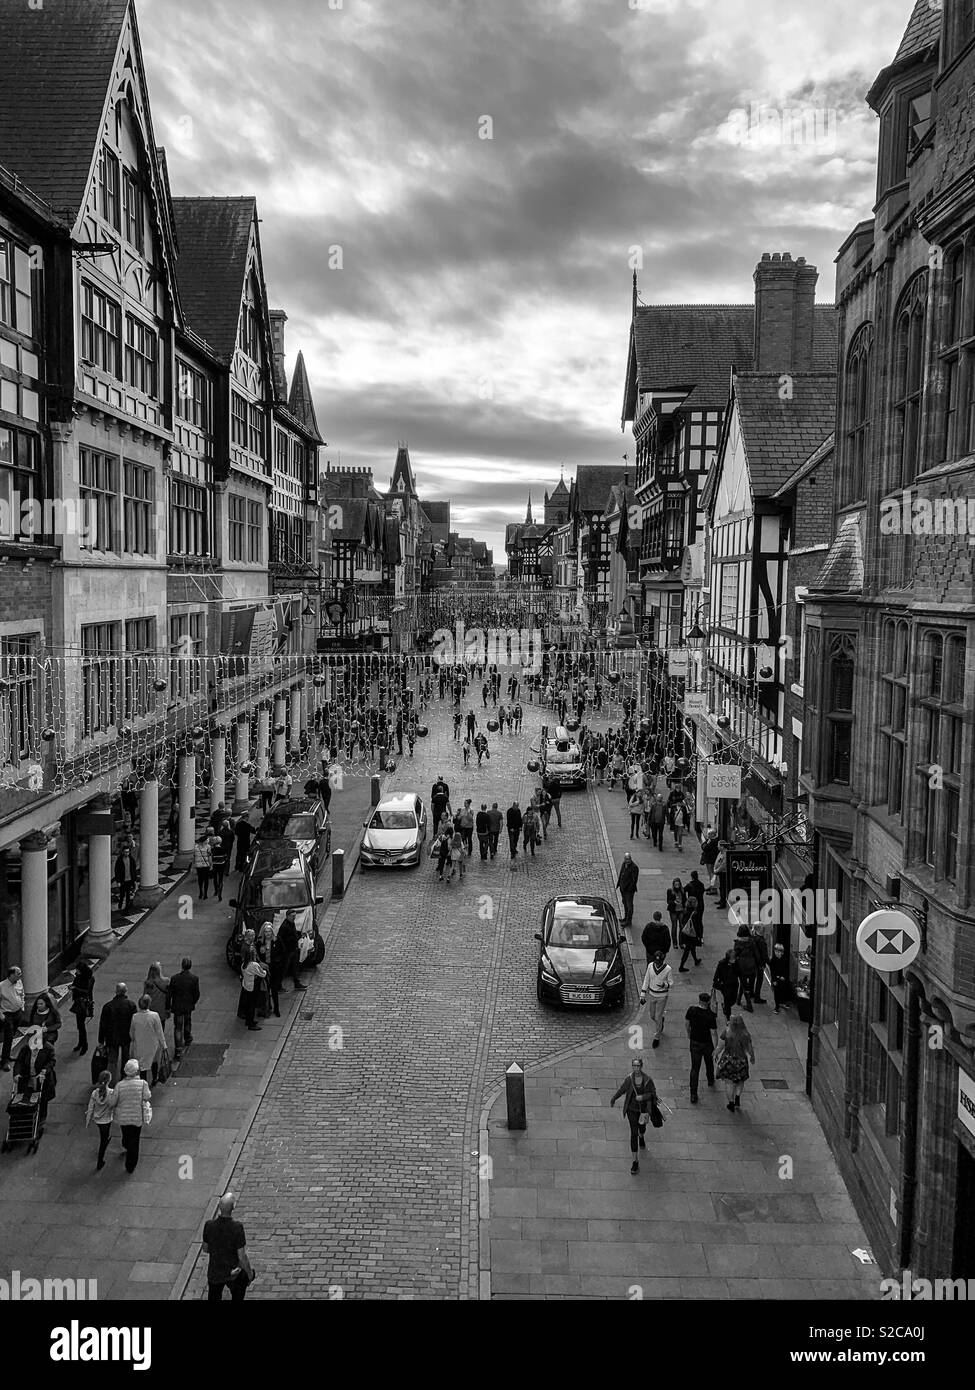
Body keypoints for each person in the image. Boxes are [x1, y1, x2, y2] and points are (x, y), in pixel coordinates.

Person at [610, 1057, 658, 1174]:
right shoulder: (629, 1079)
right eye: (634, 1066)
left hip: (642, 1110)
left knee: (642, 1128)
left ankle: (641, 1136)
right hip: (631, 1109)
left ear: (641, 1066)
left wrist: (642, 1097)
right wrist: (614, 1098)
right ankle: (635, 1161)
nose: (636, 1068)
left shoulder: (647, 1080)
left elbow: (653, 1094)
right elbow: (622, 1089)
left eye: (638, 1066)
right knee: (633, 1133)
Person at [203, 1192, 254, 1301]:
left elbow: (206, 1249)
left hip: (215, 1272)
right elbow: (241, 1257)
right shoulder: (237, 1227)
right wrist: (250, 1274)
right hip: (233, 1271)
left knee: (214, 1295)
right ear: (233, 1207)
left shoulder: (209, 1225)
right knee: (239, 1291)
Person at [111, 1059, 152, 1173]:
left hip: (123, 1117)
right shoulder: (143, 1084)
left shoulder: (119, 1085)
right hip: (136, 1117)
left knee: (126, 1133)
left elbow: (113, 1101)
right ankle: (131, 1164)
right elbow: (147, 1096)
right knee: (135, 1140)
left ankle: (126, 1145)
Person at [97, 982, 136, 1082]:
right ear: (125, 991)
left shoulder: (108, 1006)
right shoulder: (131, 1005)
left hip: (112, 1037)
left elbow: (103, 1025)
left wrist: (101, 1040)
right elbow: (134, 1022)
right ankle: (124, 1077)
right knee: (125, 1058)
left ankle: (111, 1081)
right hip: (126, 1036)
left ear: (116, 992)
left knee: (112, 1060)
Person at [716, 1013, 756, 1111]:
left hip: (728, 1061)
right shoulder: (745, 1034)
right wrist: (752, 1057)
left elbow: (720, 1046)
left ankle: (731, 1103)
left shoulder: (726, 1032)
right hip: (741, 1060)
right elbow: (750, 1049)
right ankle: (737, 1097)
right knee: (740, 1081)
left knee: (729, 1083)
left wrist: (716, 1053)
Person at [685, 992, 719, 1103]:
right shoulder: (710, 1016)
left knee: (695, 1068)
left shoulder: (692, 1010)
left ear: (699, 1000)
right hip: (707, 1043)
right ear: (708, 1002)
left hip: (695, 1043)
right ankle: (710, 1079)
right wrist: (716, 1048)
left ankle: (693, 1094)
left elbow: (687, 1023)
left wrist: (689, 1033)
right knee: (709, 1062)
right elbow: (713, 1033)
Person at [639, 949, 672, 1047]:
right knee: (652, 1016)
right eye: (656, 962)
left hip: (662, 996)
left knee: (657, 1017)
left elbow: (671, 983)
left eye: (660, 962)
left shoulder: (668, 969)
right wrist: (643, 994)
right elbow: (646, 979)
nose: (658, 964)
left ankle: (657, 1037)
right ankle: (661, 1021)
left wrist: (664, 985)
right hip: (652, 995)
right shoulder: (650, 966)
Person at [130, 994, 166, 1084]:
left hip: (140, 1044)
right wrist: (164, 1045)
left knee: (142, 1066)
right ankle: (154, 1078)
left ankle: (143, 1082)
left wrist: (133, 1040)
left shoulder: (135, 1017)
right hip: (152, 1044)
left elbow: (132, 1032)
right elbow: (159, 1031)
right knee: (154, 1061)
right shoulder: (154, 1016)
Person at [168, 958, 200, 1058]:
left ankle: (178, 1048)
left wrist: (167, 1006)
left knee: (178, 1027)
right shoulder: (194, 978)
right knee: (187, 1021)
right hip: (188, 1005)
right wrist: (193, 1002)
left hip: (177, 1006)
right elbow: (196, 994)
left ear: (182, 966)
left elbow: (170, 994)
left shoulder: (174, 978)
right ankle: (187, 1038)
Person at [85, 1069, 116, 1170]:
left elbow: (90, 1107)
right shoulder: (111, 1093)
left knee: (103, 1136)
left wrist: (88, 1120)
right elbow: (113, 1106)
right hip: (107, 1120)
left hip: (98, 1120)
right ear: (109, 1081)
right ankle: (100, 1160)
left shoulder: (95, 1093)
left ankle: (106, 1141)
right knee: (103, 1140)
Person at [0, 965, 24, 1071]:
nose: (20, 975)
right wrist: (0, 1014)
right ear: (11, 975)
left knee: (13, 1035)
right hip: (7, 1015)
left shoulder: (19, 982)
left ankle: (8, 1055)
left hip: (18, 1013)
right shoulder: (1, 986)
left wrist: (22, 1005)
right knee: (8, 1037)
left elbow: (22, 994)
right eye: (18, 973)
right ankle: (4, 1062)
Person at [70, 961, 95, 1055]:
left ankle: (84, 1044)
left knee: (81, 1025)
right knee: (79, 1025)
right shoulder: (78, 976)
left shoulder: (89, 979)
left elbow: (87, 991)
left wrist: (75, 988)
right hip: (78, 1002)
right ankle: (81, 1043)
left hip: (84, 1003)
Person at [276, 915, 307, 992]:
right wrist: (284, 949)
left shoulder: (292, 923)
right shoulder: (284, 926)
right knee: (284, 969)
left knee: (295, 968)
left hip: (293, 949)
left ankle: (296, 983)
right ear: (287, 916)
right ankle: (278, 985)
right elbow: (281, 938)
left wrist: (299, 935)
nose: (294, 917)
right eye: (292, 916)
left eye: (295, 916)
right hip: (287, 951)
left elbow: (294, 933)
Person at [238, 955, 267, 1031]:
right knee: (252, 1005)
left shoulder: (244, 964)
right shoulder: (253, 965)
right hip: (253, 987)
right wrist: (265, 970)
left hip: (246, 986)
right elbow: (262, 974)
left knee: (248, 1005)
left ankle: (248, 1021)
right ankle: (251, 1024)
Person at [733, 926, 759, 1012]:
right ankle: (738, 1000)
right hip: (751, 966)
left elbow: (734, 955)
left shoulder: (738, 943)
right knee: (747, 985)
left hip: (742, 967)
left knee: (744, 985)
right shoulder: (751, 942)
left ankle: (749, 1005)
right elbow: (756, 954)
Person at [143, 962, 170, 1043]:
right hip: (162, 1008)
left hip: (152, 1008)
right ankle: (160, 1042)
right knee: (161, 1027)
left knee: (152, 1028)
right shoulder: (166, 981)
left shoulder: (148, 983)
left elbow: (145, 996)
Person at [712, 950, 739, 1022]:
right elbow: (717, 974)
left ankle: (726, 1007)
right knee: (727, 1000)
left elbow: (739, 972)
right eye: (732, 959)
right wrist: (716, 984)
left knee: (733, 1000)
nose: (734, 960)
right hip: (725, 985)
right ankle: (728, 1017)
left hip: (734, 984)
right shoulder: (722, 964)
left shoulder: (736, 963)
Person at [113, 841, 139, 912]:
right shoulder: (119, 860)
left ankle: (127, 909)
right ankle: (120, 905)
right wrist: (118, 881)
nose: (126, 853)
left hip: (129, 880)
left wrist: (134, 880)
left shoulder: (131, 859)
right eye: (125, 852)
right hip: (122, 880)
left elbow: (133, 869)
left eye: (128, 852)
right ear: (122, 852)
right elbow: (117, 871)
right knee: (122, 894)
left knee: (128, 895)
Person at [616, 852, 639, 928]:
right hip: (623, 888)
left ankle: (628, 921)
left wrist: (629, 889)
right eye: (626, 859)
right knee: (625, 903)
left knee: (629, 906)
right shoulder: (624, 864)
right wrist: (619, 883)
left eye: (629, 859)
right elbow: (621, 874)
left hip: (629, 891)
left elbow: (633, 880)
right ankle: (625, 918)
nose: (627, 861)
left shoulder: (634, 867)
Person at [750, 924, 770, 1004]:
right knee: (759, 980)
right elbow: (764, 955)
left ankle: (751, 993)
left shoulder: (753, 938)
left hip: (753, 962)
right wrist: (768, 962)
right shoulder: (761, 941)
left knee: (753, 978)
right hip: (760, 964)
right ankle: (757, 997)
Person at [666, 879, 687, 950]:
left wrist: (685, 907)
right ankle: (675, 942)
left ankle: (681, 942)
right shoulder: (670, 891)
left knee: (682, 926)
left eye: (678, 884)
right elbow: (668, 901)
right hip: (673, 911)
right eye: (675, 885)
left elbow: (685, 900)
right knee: (674, 926)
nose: (677, 886)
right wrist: (674, 902)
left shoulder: (682, 891)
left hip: (681, 910)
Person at [685, 870, 706, 942]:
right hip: (700, 905)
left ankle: (692, 935)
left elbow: (683, 890)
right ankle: (700, 936)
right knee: (699, 921)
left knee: (692, 920)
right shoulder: (701, 884)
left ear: (691, 877)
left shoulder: (689, 885)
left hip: (692, 905)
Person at [210, 829, 230, 902]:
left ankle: (215, 891)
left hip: (215, 865)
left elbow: (211, 858)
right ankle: (220, 894)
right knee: (220, 879)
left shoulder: (212, 850)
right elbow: (226, 857)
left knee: (215, 878)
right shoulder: (223, 849)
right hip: (222, 865)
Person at [770, 943, 791, 1013]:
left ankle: (782, 1002)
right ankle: (777, 1006)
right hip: (776, 979)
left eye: (778, 952)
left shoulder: (784, 959)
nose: (777, 953)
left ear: (782, 952)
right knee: (776, 993)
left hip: (782, 979)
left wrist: (783, 976)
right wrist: (774, 980)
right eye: (775, 951)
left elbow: (786, 969)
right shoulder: (773, 960)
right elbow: (772, 971)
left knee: (783, 991)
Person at [194, 834, 213, 900]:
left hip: (198, 866)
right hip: (206, 865)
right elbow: (209, 857)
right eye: (207, 839)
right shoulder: (208, 847)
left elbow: (194, 856)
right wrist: (211, 865)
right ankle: (205, 894)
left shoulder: (196, 847)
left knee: (200, 879)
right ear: (205, 841)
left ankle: (200, 892)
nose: (208, 840)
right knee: (206, 880)